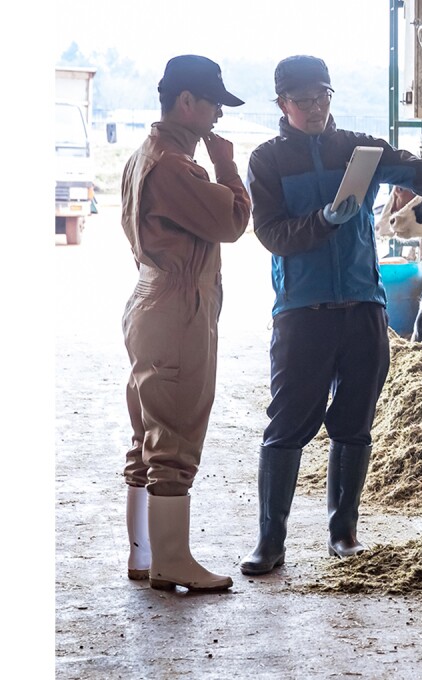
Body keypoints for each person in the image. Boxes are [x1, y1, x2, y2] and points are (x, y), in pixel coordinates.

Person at [240, 55, 422, 575]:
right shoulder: (267, 161)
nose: (315, 109)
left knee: (356, 420)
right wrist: (323, 220)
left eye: (322, 97)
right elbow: (271, 233)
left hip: (363, 304)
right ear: (282, 103)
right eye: (303, 101)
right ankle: (270, 541)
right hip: (303, 309)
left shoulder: (360, 149)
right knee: (288, 422)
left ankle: (344, 533)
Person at [120, 55, 252, 592]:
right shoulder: (175, 165)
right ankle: (171, 562)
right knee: (174, 436)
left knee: (148, 434)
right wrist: (227, 166)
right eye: (214, 102)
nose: (219, 113)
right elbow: (233, 221)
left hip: (153, 297)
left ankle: (145, 554)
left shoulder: (144, 155)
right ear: (186, 102)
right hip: (177, 305)